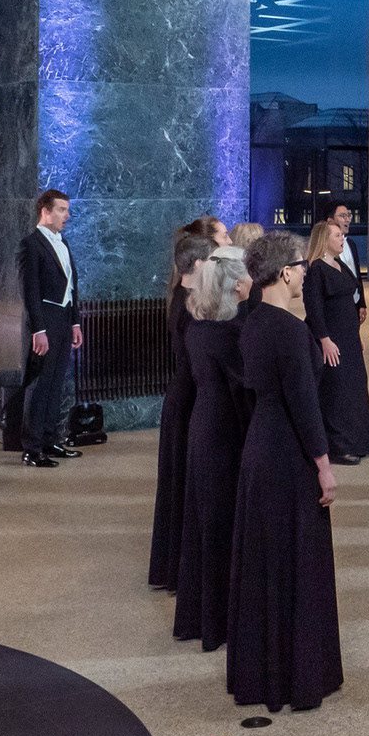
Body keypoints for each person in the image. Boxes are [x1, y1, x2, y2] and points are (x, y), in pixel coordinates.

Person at [228, 231, 343, 712]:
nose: (303, 272)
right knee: (296, 562)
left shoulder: (253, 323)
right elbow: (304, 405)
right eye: (299, 264)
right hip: (289, 456)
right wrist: (324, 466)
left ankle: (262, 673)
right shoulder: (291, 331)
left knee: (264, 565)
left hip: (259, 446)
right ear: (286, 272)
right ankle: (297, 675)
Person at [176, 246, 252, 649]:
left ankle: (202, 615)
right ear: (236, 285)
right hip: (224, 430)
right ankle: (221, 619)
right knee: (222, 524)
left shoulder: (197, 327)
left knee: (204, 522)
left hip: (202, 423)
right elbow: (244, 391)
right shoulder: (230, 333)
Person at [150, 233, 214, 589]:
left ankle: (175, 567)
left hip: (185, 395)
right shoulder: (189, 303)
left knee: (179, 486)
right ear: (200, 265)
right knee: (182, 487)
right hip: (188, 399)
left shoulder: (182, 296)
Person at [304, 220, 369, 463]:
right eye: (337, 235)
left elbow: (351, 303)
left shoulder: (340, 264)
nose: (342, 239)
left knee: (357, 386)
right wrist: (324, 339)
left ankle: (365, 439)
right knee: (337, 390)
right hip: (331, 338)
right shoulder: (318, 269)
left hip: (348, 337)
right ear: (324, 240)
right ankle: (340, 445)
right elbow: (314, 309)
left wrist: (356, 335)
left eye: (342, 235)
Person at [17, 190, 82, 467]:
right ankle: (32, 448)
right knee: (40, 384)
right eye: (62, 210)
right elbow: (29, 290)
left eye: (67, 210)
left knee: (56, 383)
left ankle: (50, 439)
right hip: (45, 320)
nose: (67, 215)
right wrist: (38, 329)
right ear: (45, 211)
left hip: (63, 319)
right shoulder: (31, 245)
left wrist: (75, 321)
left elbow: (72, 285)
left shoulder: (63, 242)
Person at [328, 204, 368, 318]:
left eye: (348, 215)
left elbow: (357, 277)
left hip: (354, 303)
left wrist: (361, 303)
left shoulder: (351, 244)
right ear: (330, 221)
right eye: (342, 216)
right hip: (338, 307)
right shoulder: (326, 251)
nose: (347, 219)